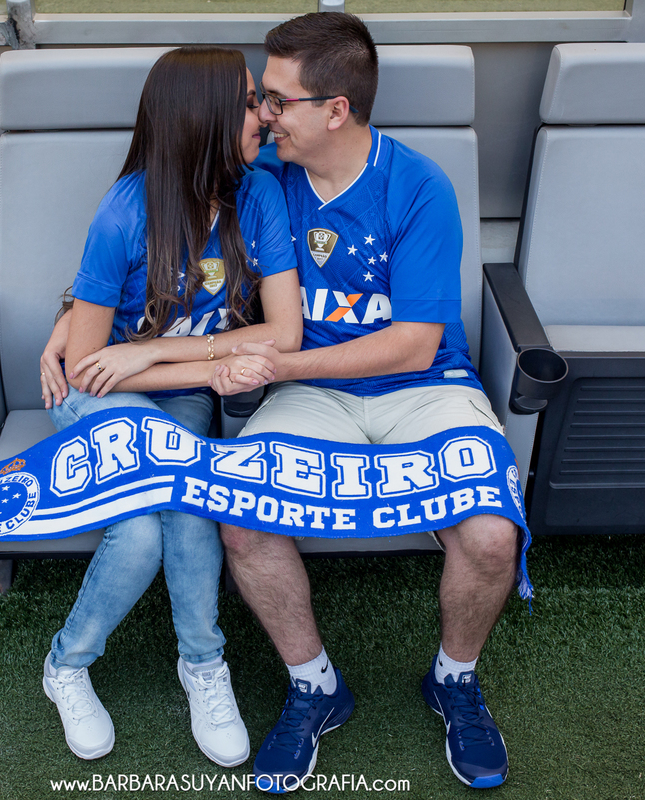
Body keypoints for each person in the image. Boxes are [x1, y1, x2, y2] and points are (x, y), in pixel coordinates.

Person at [209, 13, 522, 792]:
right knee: (242, 522)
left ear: (336, 108)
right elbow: (158, 234)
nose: (263, 115)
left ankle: (454, 678)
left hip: (424, 387)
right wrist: (67, 318)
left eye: (278, 100)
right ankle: (315, 686)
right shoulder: (263, 177)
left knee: (489, 537)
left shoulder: (417, 185)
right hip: (312, 393)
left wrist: (279, 359)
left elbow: (416, 343)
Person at [36, 46, 302, 768]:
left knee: (189, 503)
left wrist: (158, 353)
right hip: (104, 401)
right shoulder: (124, 212)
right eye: (250, 103)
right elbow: (92, 369)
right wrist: (181, 357)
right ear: (206, 118)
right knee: (144, 534)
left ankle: (202, 664)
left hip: (169, 389)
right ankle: (67, 665)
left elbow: (284, 333)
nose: (266, 116)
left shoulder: (260, 194)